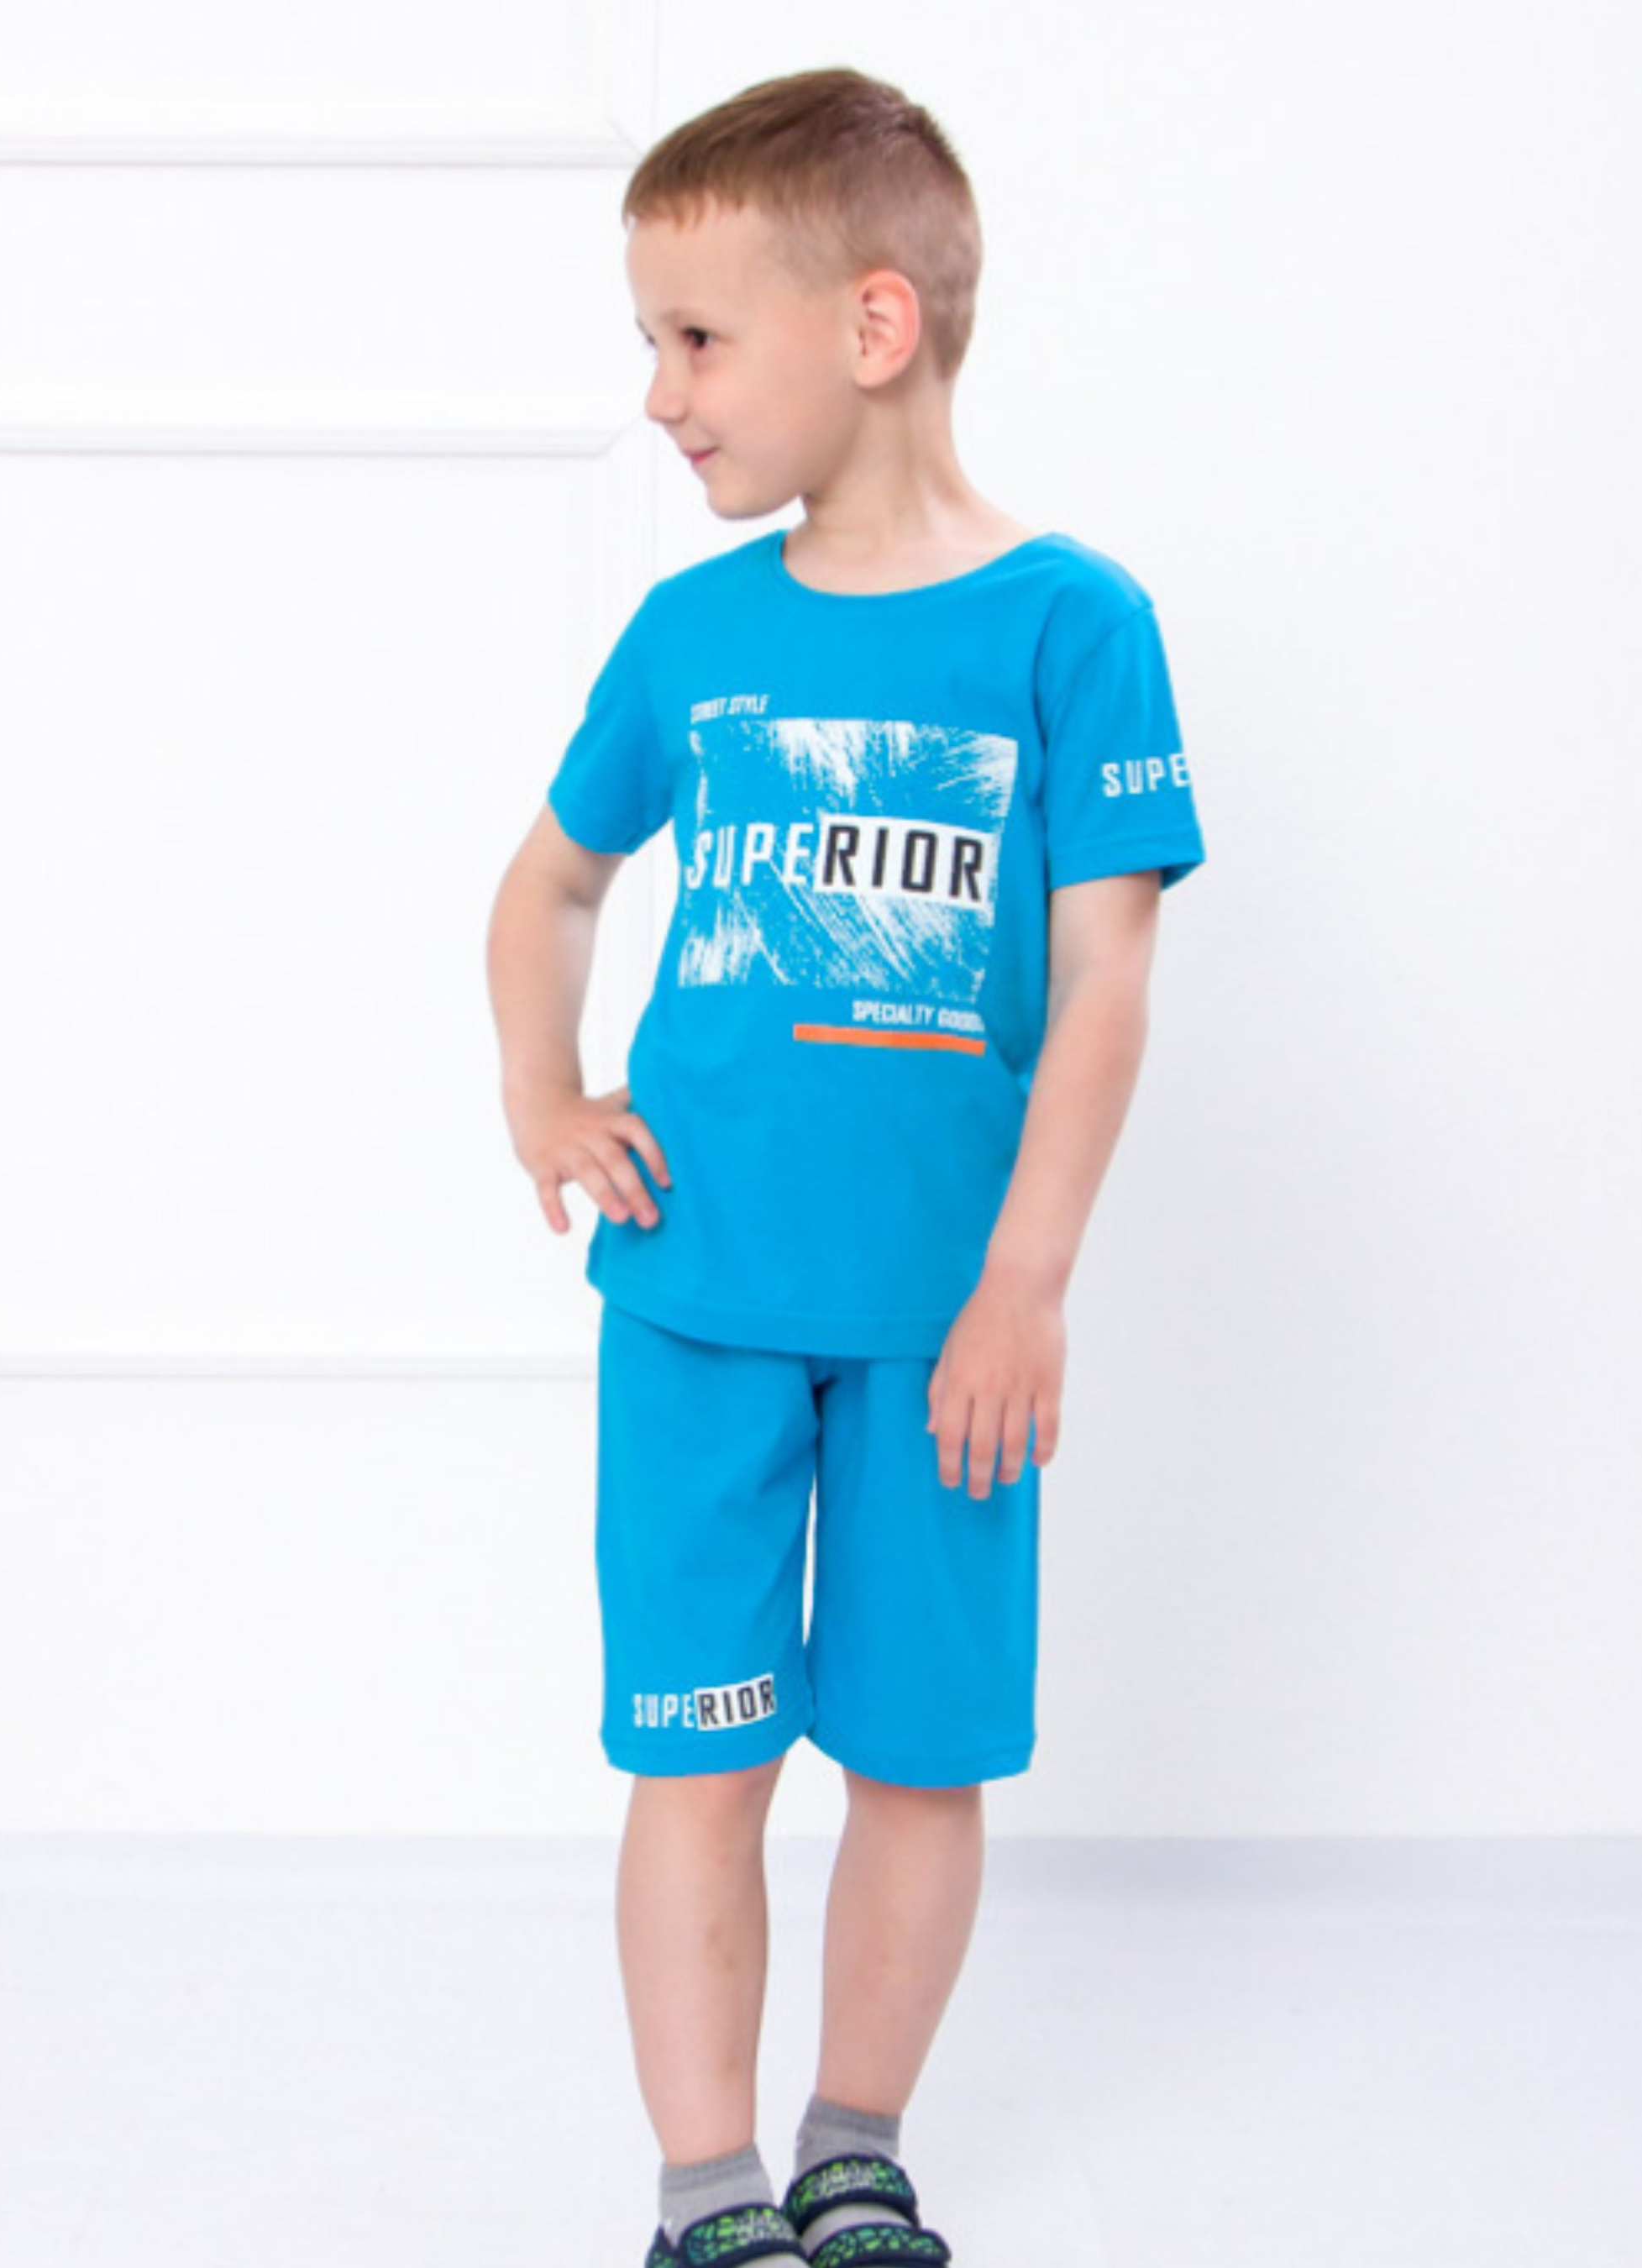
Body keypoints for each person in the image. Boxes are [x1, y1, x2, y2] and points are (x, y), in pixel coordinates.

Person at [485, 64, 1207, 2268]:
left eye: (698, 339)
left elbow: (1104, 981)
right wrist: (542, 1091)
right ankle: (707, 2190)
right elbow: (550, 885)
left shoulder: (1071, 627)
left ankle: (850, 2147)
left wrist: (1026, 1282)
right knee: (693, 1757)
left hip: (943, 1338)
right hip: (695, 1302)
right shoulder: (692, 634)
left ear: (872, 324)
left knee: (918, 1753)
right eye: (652, 340)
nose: (661, 394)